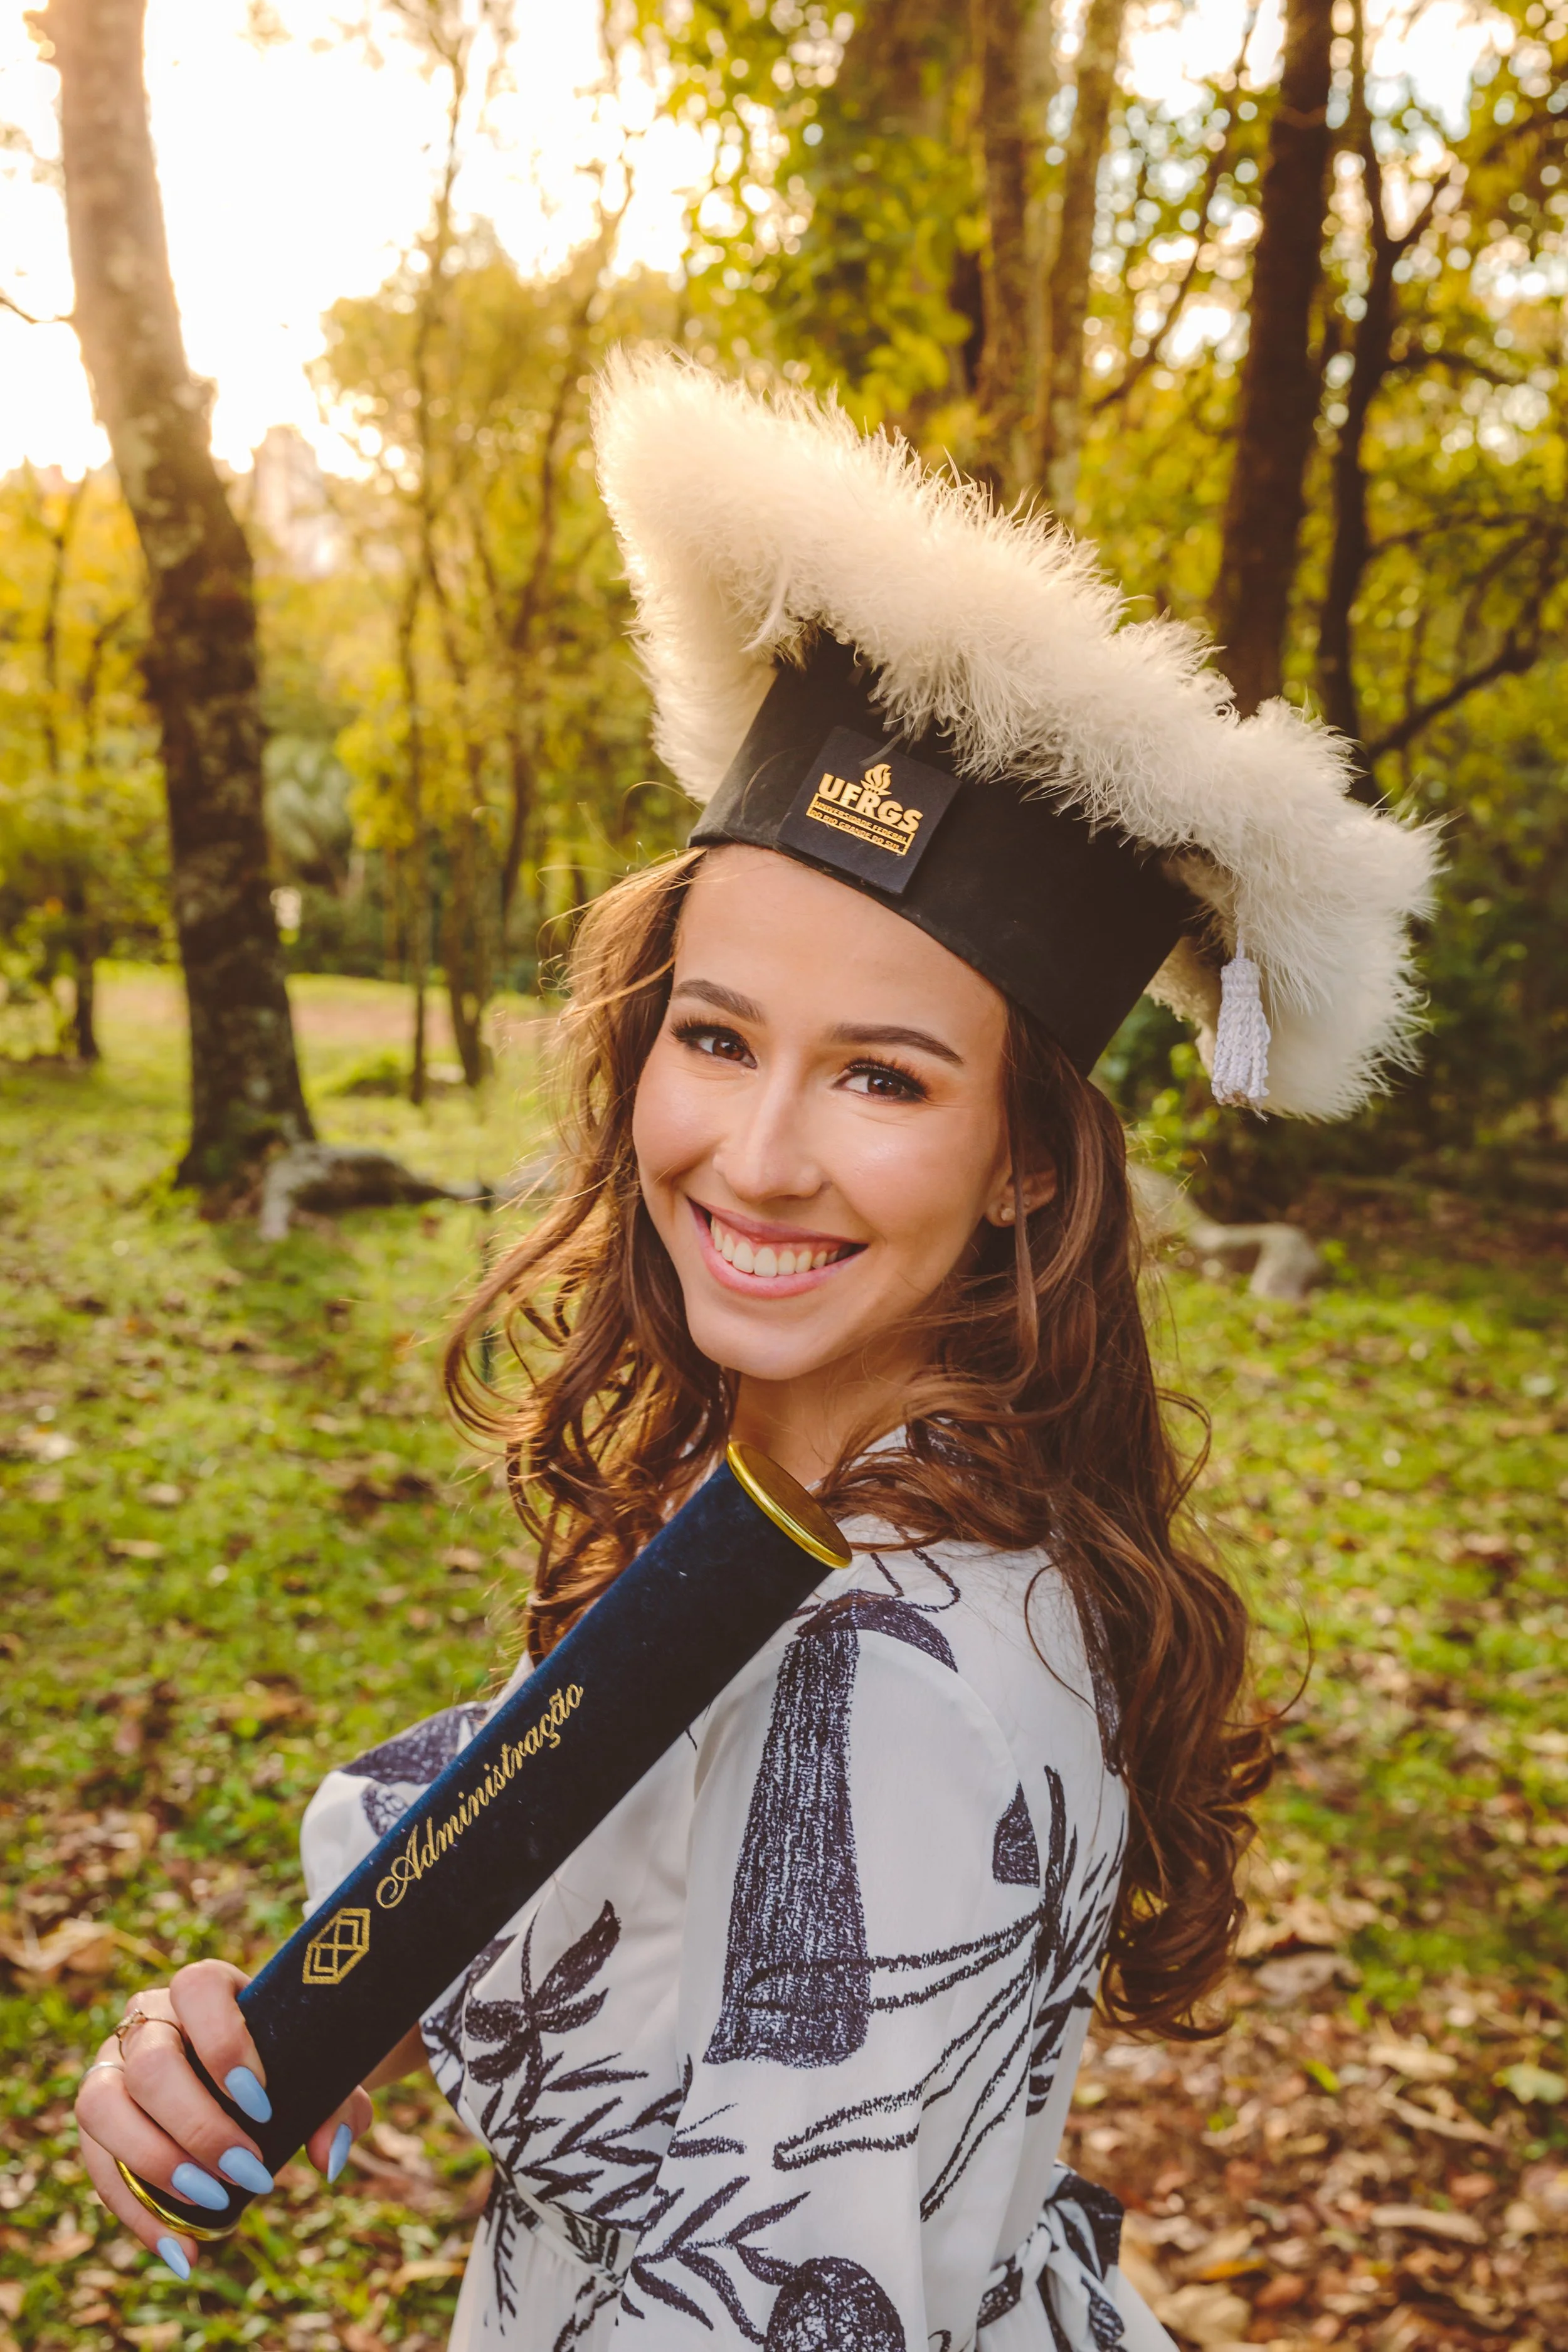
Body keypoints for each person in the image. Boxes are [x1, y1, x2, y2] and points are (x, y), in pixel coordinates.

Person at [75, 355, 1436, 2351]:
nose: (757, 1153)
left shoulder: (893, 1663)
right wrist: (293, 2020)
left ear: (1017, 1164)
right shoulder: (813, 1519)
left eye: (881, 1074)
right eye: (715, 1035)